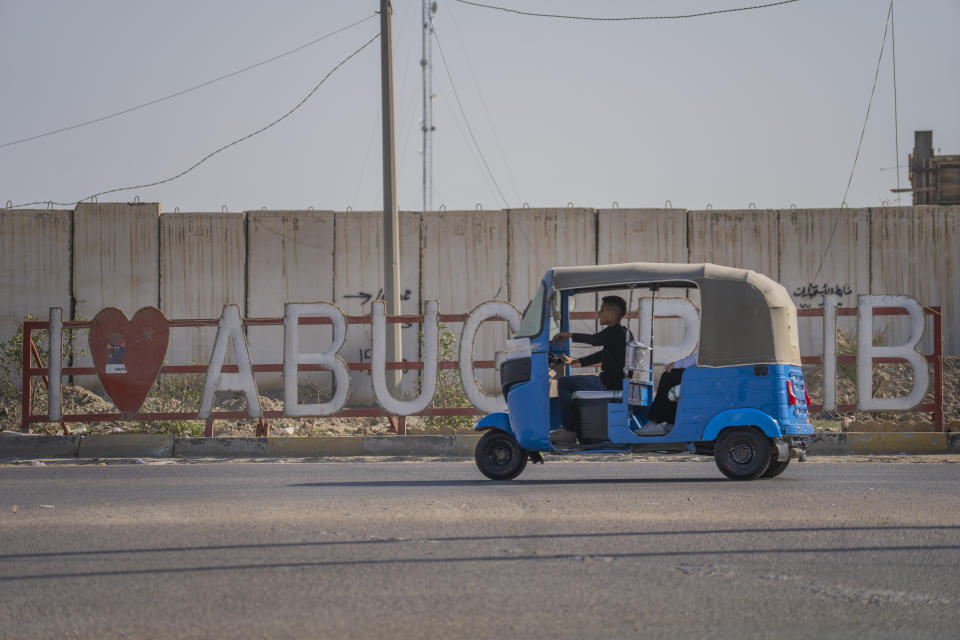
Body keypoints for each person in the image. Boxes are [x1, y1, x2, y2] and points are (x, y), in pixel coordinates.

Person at [550, 295, 631, 443]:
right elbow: (603, 355)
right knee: (570, 384)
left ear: (613, 313)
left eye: (602, 309)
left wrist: (568, 335)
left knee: (564, 383)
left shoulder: (615, 331)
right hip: (614, 381)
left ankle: (569, 431)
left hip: (608, 382)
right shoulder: (623, 333)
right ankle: (572, 428)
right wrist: (576, 361)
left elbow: (594, 340)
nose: (598, 313)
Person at [641, 351, 698, 432]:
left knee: (668, 377)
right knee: (673, 375)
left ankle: (656, 421)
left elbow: (695, 359)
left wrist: (675, 365)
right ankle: (671, 421)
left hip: (701, 377)